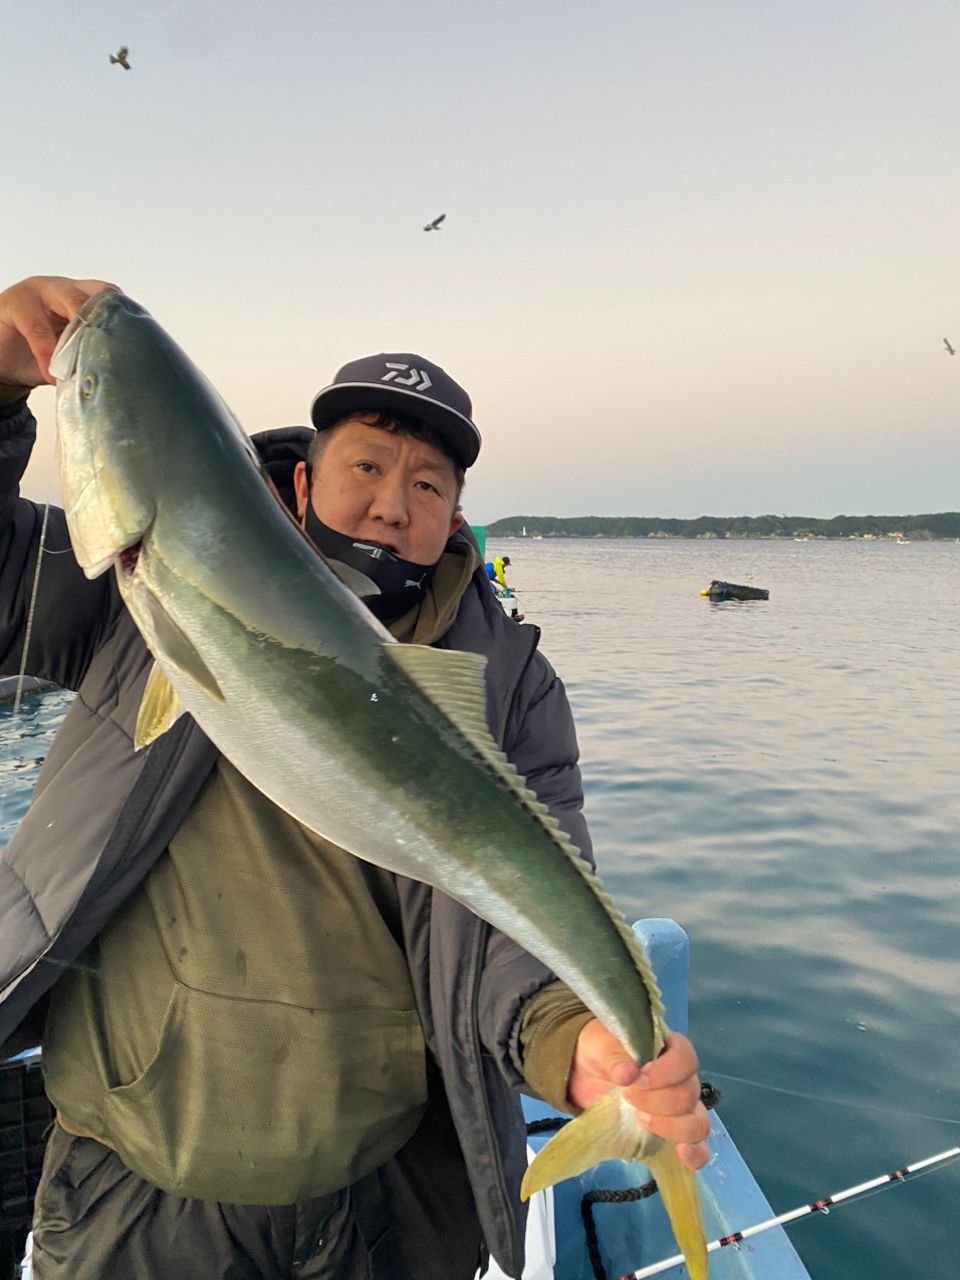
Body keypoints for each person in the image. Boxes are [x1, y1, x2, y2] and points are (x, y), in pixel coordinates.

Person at [0, 275, 709, 1280]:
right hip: (145, 1180)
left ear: (457, 513)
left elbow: (519, 925)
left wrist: (579, 1045)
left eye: (429, 484)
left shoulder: (507, 683)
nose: (392, 502)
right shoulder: (130, 581)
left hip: (387, 1199)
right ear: (296, 483)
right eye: (366, 464)